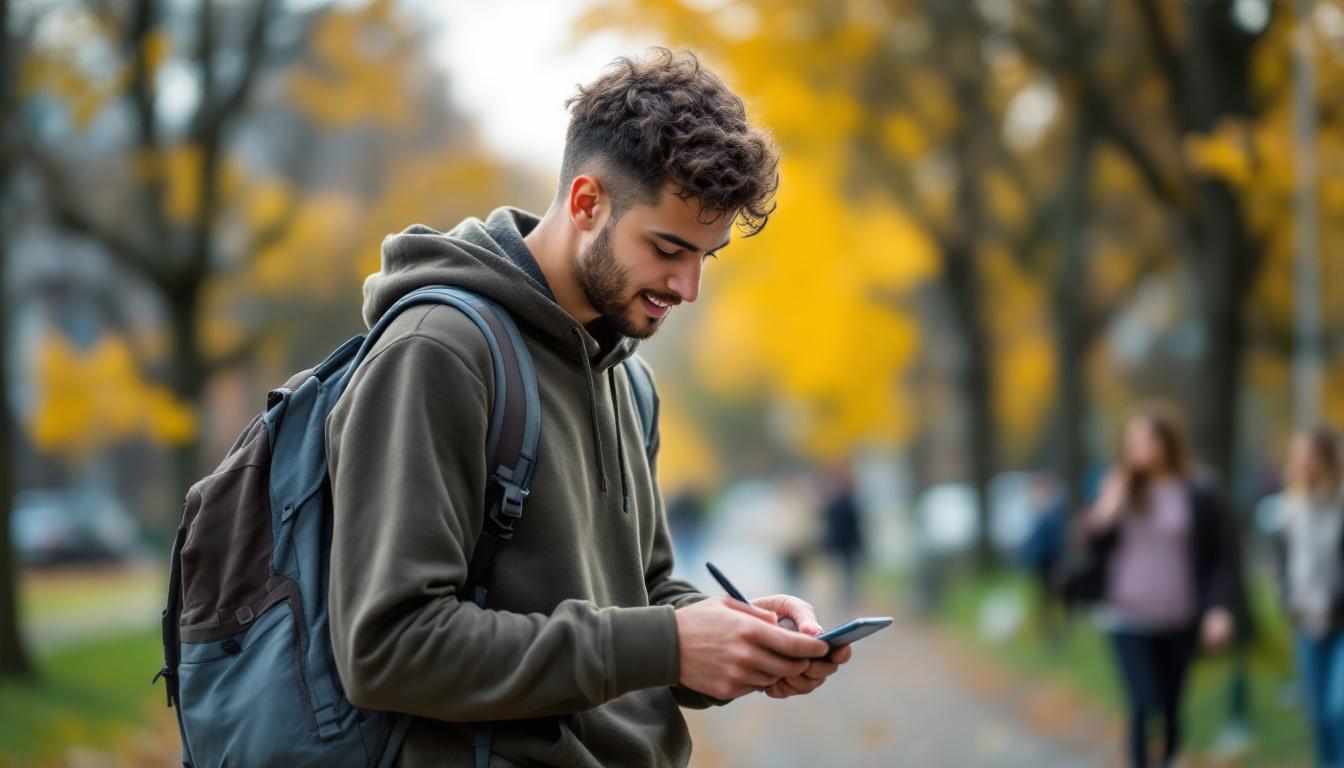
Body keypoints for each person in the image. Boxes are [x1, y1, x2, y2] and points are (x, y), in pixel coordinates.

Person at [323, 49, 851, 767]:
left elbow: (647, 591)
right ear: (585, 203)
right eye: (668, 248)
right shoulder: (438, 353)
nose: (688, 286)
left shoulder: (630, 380)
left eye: (707, 256)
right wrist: (665, 645)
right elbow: (388, 647)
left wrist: (733, 639)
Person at [1085, 403, 1235, 768]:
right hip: (1126, 613)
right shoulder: (1117, 485)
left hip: (1178, 614)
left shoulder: (1199, 490)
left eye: (1146, 439)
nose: (1137, 448)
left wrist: (1217, 608)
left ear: (1167, 442)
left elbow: (1220, 555)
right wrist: (1106, 510)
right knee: (1141, 703)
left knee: (1170, 704)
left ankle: (1169, 759)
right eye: (1131, 440)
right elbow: (1091, 548)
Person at [1274, 427, 1344, 767]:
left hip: (1340, 618)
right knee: (1317, 713)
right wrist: (1287, 597)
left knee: (1339, 707)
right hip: (1306, 620)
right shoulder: (1290, 507)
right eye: (1297, 455)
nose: (1302, 463)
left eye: (1309, 455)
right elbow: (1283, 563)